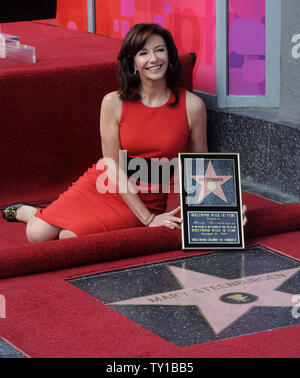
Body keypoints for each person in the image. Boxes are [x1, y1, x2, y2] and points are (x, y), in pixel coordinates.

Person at [2, 23, 247, 243]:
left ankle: (43, 214)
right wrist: (148, 220)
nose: (153, 58)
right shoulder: (113, 102)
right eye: (143, 53)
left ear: (170, 55)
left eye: (159, 50)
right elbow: (111, 164)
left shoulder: (192, 105)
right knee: (35, 234)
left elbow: (200, 166)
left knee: (69, 238)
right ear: (132, 63)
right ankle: (30, 212)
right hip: (106, 184)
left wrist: (225, 212)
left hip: (149, 196)